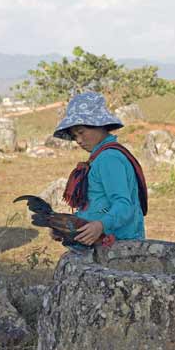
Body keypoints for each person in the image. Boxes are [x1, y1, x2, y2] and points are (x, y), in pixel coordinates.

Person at [53, 91, 148, 246]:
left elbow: (124, 205)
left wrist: (101, 225)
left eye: (81, 132)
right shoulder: (99, 158)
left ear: (99, 125)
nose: (78, 140)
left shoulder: (108, 159)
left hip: (117, 245)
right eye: (74, 136)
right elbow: (97, 206)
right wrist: (67, 226)